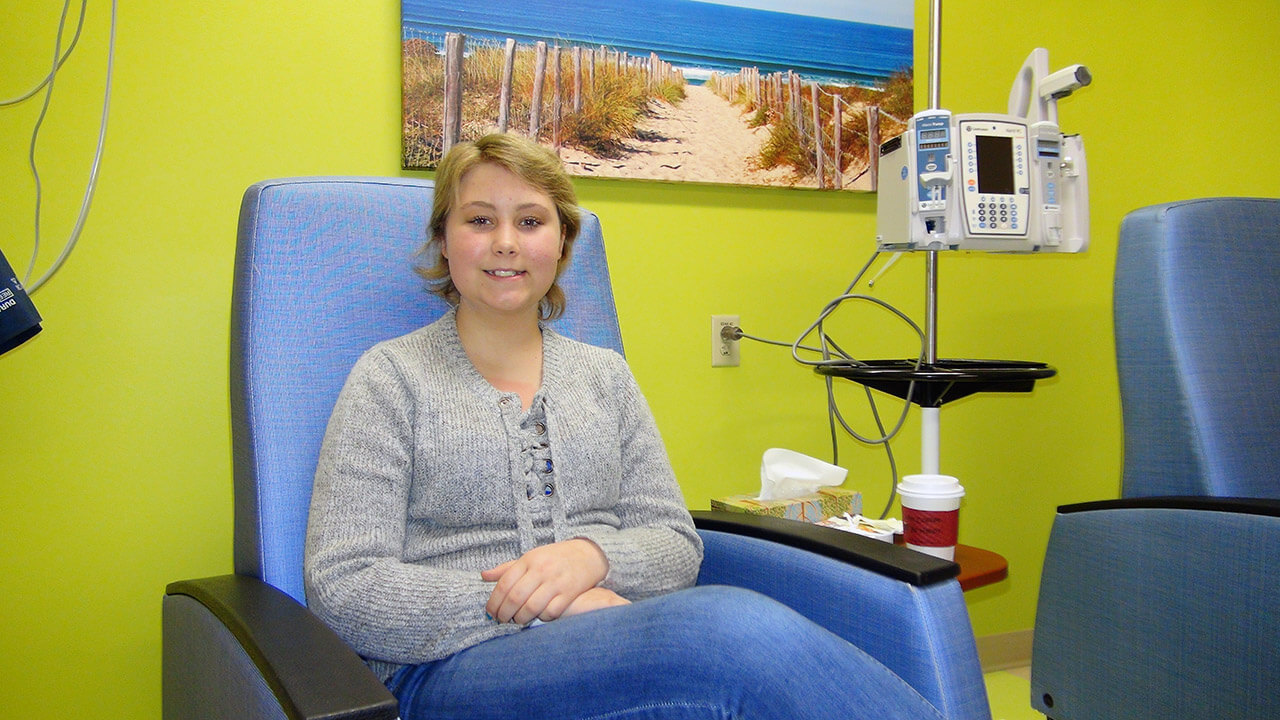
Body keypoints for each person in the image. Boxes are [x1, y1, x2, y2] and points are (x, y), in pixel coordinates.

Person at [305, 133, 944, 720]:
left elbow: (674, 542)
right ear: (444, 240)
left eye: (531, 221)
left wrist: (591, 558)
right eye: (479, 220)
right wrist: (543, 604)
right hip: (449, 671)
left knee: (741, 656)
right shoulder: (390, 378)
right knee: (728, 633)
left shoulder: (604, 377)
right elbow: (344, 585)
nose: (506, 241)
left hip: (617, 652)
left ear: (561, 243)